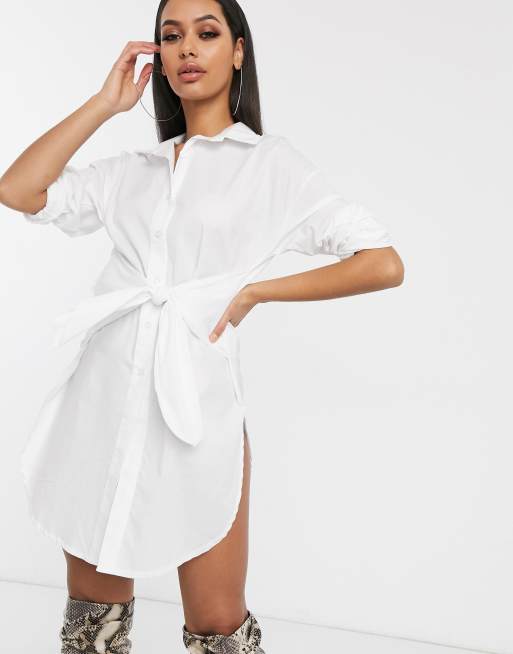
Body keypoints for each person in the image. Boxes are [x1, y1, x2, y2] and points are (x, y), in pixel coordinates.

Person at [0, 0, 404, 652]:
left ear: (238, 51)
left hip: (196, 413)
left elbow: (381, 262)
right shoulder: (133, 170)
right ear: (157, 58)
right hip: (102, 405)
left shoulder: (270, 165)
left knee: (218, 624)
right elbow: (19, 191)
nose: (187, 48)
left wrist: (257, 292)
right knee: (93, 623)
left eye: (207, 33)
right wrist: (105, 104)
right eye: (171, 36)